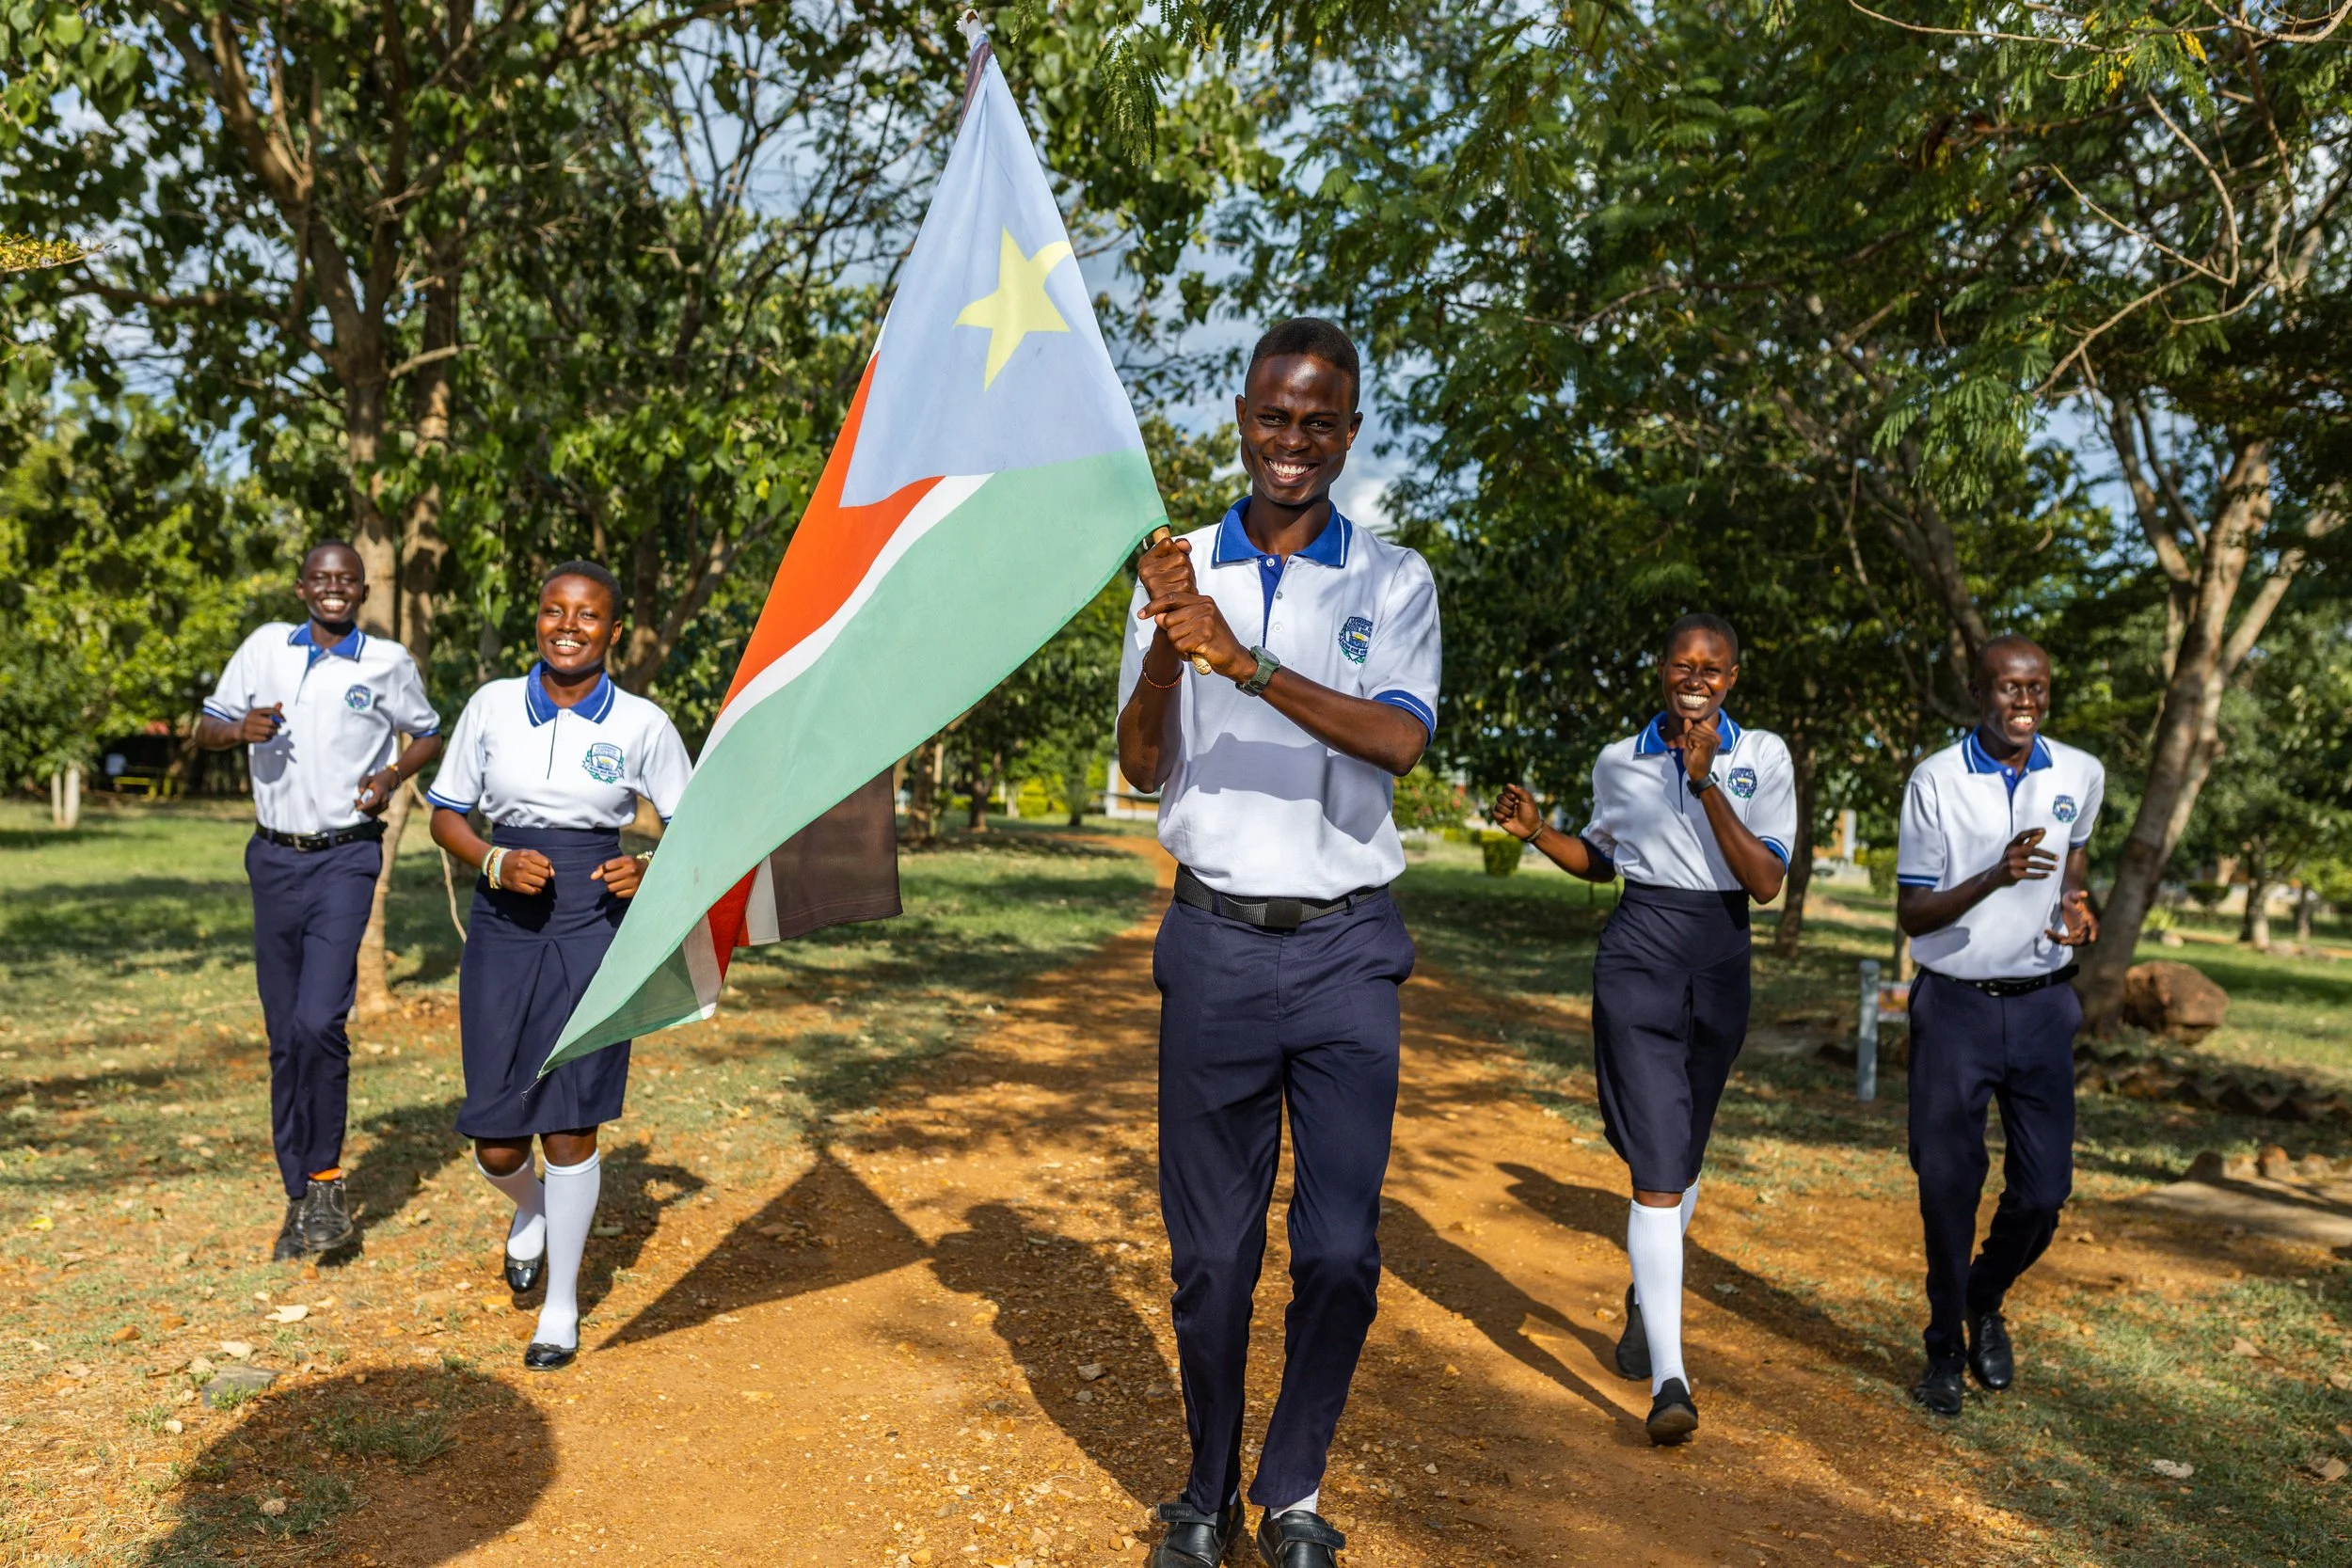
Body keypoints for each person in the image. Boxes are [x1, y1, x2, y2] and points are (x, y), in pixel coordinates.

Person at [1118, 318, 1438, 1568]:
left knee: (1343, 1252)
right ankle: (1202, 1490)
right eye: (1273, 416)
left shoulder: (1394, 580)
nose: (1293, 440)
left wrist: (1243, 664)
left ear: (1348, 433)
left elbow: (1400, 740)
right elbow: (1144, 764)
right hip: (1215, 944)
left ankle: (1292, 1487)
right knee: (1210, 1254)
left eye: (1319, 421)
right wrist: (1164, 641)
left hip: (1350, 948)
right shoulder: (1174, 563)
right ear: (1242, 420)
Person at [1491, 613, 1792, 1445]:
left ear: (1732, 676)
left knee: (1684, 1152)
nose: (1697, 676)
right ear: (1662, 669)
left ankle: (1643, 1294)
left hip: (1722, 957)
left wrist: (1703, 782)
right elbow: (1602, 857)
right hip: (1638, 956)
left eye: (1714, 666)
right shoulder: (1618, 760)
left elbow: (1765, 880)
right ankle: (1671, 1379)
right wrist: (1540, 835)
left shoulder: (1761, 757)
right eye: (1682, 663)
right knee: (1659, 1170)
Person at [424, 562, 691, 1371]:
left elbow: (693, 824)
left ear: (616, 631)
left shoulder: (643, 722)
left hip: (595, 920)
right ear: (536, 620)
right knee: (497, 1141)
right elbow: (445, 813)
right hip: (506, 915)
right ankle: (528, 1206)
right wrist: (494, 859)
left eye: (588, 615)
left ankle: (562, 1307)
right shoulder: (491, 705)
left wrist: (647, 867)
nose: (568, 625)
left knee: (573, 1122)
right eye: (553, 611)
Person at [197, 542, 442, 1261]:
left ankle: (330, 1179)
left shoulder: (386, 661)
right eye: (320, 577)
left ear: (362, 591)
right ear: (302, 585)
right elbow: (206, 725)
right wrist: (237, 729)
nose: (333, 588)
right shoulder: (264, 648)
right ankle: (298, 1199)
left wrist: (391, 776)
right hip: (274, 857)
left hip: (346, 855)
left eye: (346, 580)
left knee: (318, 1022)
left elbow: (425, 732)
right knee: (282, 1037)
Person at [1894, 635, 2102, 1417]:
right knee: (1947, 1185)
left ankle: (1986, 1293)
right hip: (1956, 1007)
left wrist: (2077, 909)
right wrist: (1996, 874)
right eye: (2010, 687)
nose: (2025, 701)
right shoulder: (1936, 780)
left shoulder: (2079, 772)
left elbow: (2075, 863)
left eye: (2038, 688)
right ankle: (1944, 1348)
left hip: (2046, 1003)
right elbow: (1913, 911)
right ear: (1980, 690)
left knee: (2046, 1191)